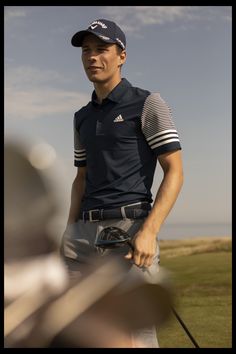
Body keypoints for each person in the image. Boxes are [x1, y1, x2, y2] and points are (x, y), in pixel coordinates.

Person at [60, 18, 184, 348]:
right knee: (77, 331)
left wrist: (150, 231)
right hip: (82, 237)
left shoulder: (147, 103)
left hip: (130, 233)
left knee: (137, 335)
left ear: (122, 55)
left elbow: (175, 171)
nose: (92, 57)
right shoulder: (81, 117)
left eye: (102, 49)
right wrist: (69, 230)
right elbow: (81, 178)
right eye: (86, 51)